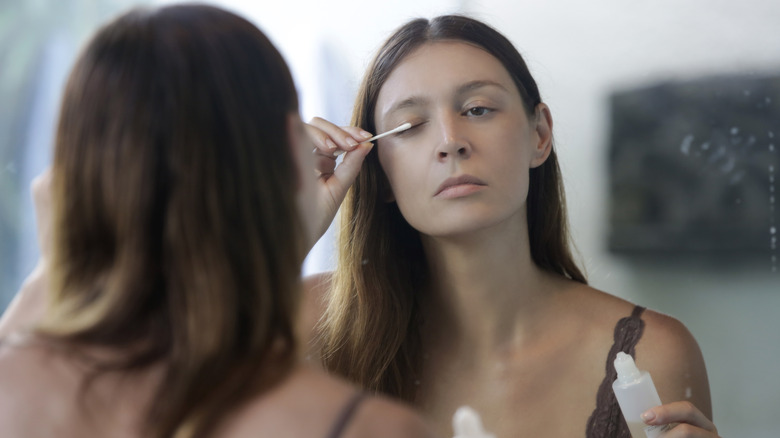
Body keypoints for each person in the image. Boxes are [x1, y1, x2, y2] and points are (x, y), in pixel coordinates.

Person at [0, 5, 435, 438]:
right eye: (413, 125)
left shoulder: (15, 389)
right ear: (289, 147)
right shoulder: (367, 427)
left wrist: (56, 269)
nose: (449, 142)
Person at [306, 15, 721, 438]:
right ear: (378, 169)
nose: (450, 140)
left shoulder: (654, 352)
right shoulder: (307, 326)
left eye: (478, 109)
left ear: (539, 135)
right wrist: (288, 232)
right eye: (411, 126)